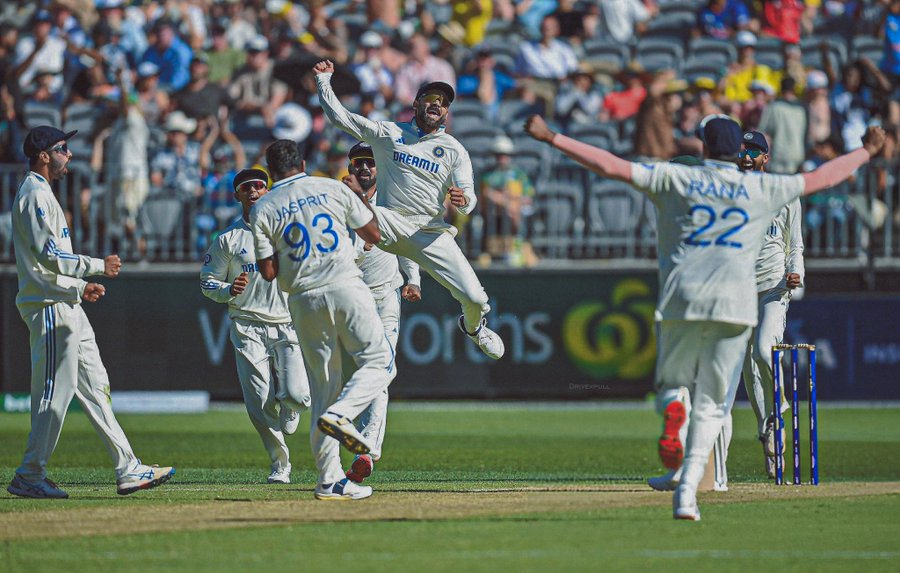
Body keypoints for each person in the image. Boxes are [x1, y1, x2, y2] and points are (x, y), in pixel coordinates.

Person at [523, 113, 885, 520]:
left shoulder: (678, 177)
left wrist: (552, 137)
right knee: (715, 405)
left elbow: (610, 165)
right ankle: (686, 496)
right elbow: (823, 178)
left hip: (684, 297)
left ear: (705, 149)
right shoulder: (762, 189)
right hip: (735, 304)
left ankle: (671, 417)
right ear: (737, 154)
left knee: (676, 389)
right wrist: (867, 151)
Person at [7, 126, 175, 499]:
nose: (70, 155)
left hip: (66, 302)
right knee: (55, 393)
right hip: (49, 307)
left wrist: (79, 288)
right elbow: (47, 257)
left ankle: (128, 468)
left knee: (96, 386)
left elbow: (50, 260)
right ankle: (30, 474)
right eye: (63, 148)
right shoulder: (34, 194)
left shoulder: (44, 193)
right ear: (44, 155)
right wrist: (94, 267)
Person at [314, 59, 505, 360]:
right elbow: (341, 118)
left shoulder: (454, 149)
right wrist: (324, 81)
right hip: (390, 220)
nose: (436, 105)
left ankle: (474, 328)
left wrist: (463, 200)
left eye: (443, 103)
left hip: (430, 231)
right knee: (357, 205)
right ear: (416, 103)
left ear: (446, 113)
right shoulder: (389, 133)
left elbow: (469, 199)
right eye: (430, 99)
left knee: (475, 299)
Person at [250, 139, 394, 501]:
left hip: (301, 299)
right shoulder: (330, 186)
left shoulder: (263, 207)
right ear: (302, 161)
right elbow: (374, 235)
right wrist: (358, 200)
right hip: (345, 285)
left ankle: (329, 480)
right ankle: (345, 415)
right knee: (380, 362)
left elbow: (267, 271)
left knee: (322, 390)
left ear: (269, 169)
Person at [200, 167, 311, 484]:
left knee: (298, 395)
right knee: (260, 404)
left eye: (260, 186)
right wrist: (227, 290)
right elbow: (208, 283)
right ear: (237, 195)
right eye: (247, 187)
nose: (254, 191)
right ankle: (280, 464)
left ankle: (291, 404)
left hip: (288, 323)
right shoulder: (228, 239)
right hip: (247, 325)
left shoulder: (288, 232)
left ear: (268, 191)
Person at [339, 142, 422, 483]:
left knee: (381, 371)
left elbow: (406, 243)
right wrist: (362, 243)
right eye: (358, 163)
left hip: (386, 297)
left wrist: (413, 279)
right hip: (350, 299)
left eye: (370, 163)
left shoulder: (393, 200)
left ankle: (365, 452)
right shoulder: (339, 203)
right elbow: (339, 253)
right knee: (355, 378)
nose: (364, 169)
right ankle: (359, 440)